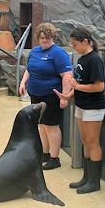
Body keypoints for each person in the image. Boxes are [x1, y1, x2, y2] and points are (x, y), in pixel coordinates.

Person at [54, 27, 105, 193]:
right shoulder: (82, 59)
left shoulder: (95, 60)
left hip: (94, 106)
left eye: (75, 44)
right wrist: (69, 95)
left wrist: (77, 86)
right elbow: (79, 83)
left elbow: (99, 86)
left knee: (93, 142)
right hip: (81, 104)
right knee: (85, 141)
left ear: (86, 41)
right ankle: (86, 177)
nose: (73, 47)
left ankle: (94, 181)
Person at [18, 22, 72, 170]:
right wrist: (23, 83)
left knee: (51, 125)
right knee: (41, 125)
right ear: (38, 38)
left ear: (52, 37)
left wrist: (64, 97)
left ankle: (55, 158)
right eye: (42, 38)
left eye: (47, 38)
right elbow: (29, 69)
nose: (44, 40)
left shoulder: (59, 53)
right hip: (35, 94)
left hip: (51, 96)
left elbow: (66, 76)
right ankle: (45, 153)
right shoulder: (34, 52)